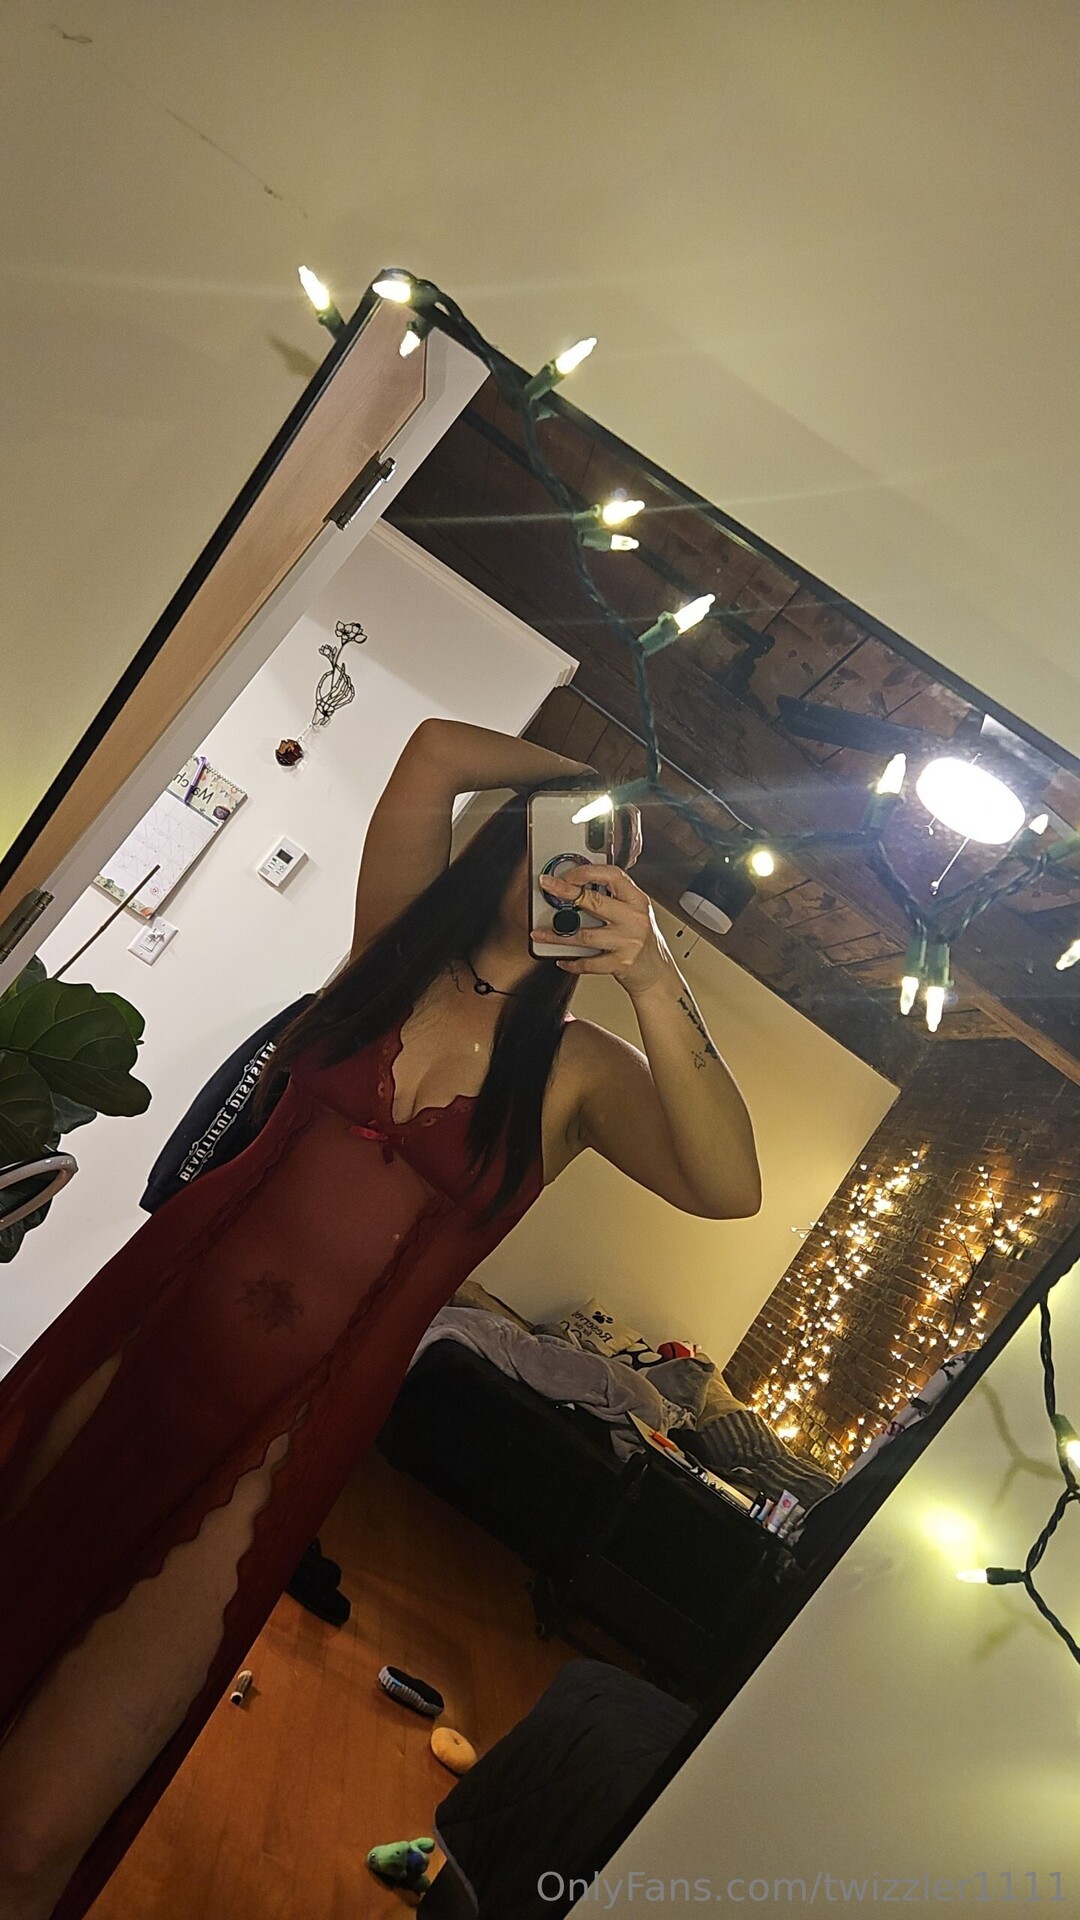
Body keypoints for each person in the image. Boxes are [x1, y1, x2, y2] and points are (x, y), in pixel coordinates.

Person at [0, 717, 761, 1920]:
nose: (579, 874)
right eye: (564, 846)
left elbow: (731, 1187)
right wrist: (589, 778)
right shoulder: (394, 950)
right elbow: (434, 755)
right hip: (140, 1340)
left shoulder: (579, 1071)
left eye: (609, 864)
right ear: (510, 842)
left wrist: (656, 977)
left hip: (279, 1440)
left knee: (37, 1832)